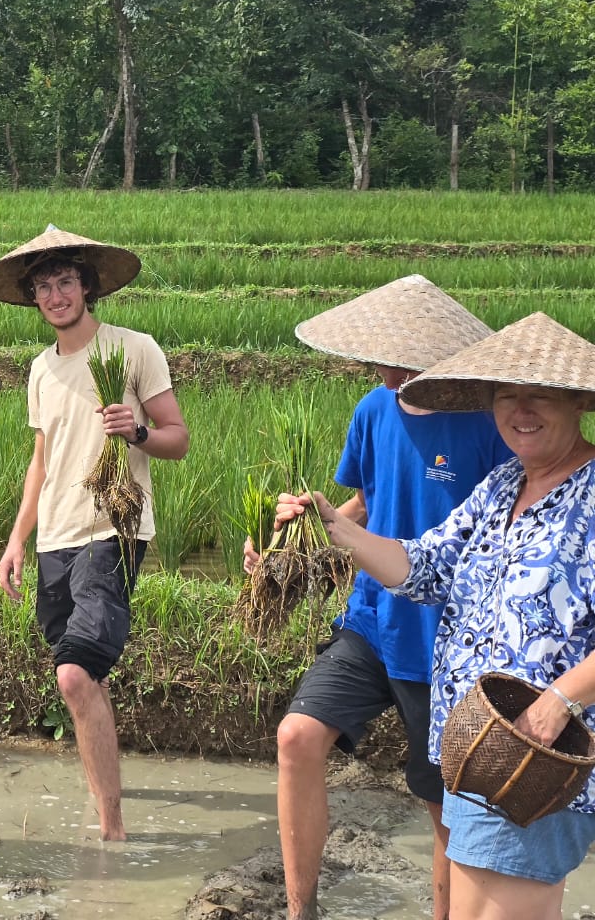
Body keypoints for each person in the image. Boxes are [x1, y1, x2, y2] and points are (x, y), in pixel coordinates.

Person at [282, 311, 595, 920]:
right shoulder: (504, 484)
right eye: (507, 395)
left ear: (578, 401)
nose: (521, 411)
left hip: (536, 759)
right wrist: (335, 526)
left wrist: (555, 705)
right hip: (473, 751)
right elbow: (424, 567)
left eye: (541, 396)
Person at [243, 275, 512, 920]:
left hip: (444, 637)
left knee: (445, 804)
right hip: (372, 619)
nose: (388, 368)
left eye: (401, 354)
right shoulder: (371, 410)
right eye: (379, 354)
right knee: (297, 738)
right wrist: (297, 542)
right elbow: (363, 503)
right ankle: (299, 909)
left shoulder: (486, 423)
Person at [0, 226, 189, 841]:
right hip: (55, 540)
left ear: (87, 287)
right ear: (34, 299)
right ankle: (108, 783)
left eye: (65, 282)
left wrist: (139, 433)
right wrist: (17, 540)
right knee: (82, 675)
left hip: (112, 525)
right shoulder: (41, 369)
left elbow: (177, 436)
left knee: (72, 674)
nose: (55, 295)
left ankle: (112, 829)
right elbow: (42, 462)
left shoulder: (134, 349)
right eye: (43, 287)